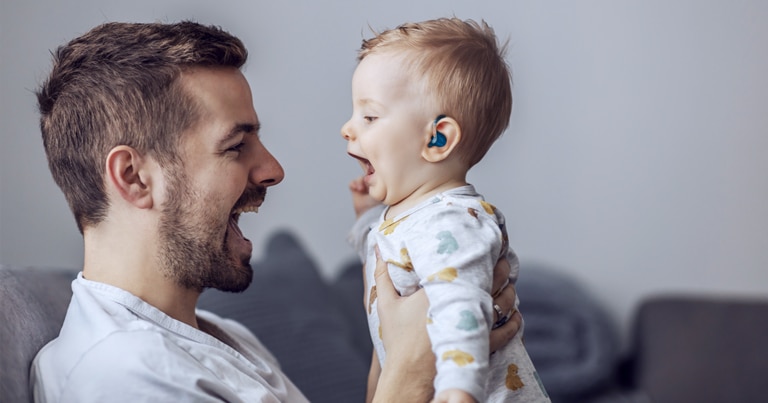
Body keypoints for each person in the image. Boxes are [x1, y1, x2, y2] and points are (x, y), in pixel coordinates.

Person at [29, 20, 521, 402]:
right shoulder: (123, 378)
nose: (273, 169)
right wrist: (413, 369)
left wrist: (404, 336)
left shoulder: (224, 339)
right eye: (236, 145)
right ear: (134, 178)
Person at [342, 18, 550, 403]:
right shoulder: (415, 217)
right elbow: (390, 263)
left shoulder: (452, 222)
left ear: (437, 138)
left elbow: (461, 309)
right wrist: (368, 220)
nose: (347, 128)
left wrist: (459, 392)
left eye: (369, 116)